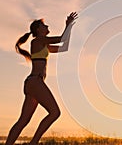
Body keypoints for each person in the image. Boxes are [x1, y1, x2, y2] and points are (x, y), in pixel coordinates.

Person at [5, 12, 78, 145]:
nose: (47, 26)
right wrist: (68, 25)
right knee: (55, 112)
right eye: (44, 25)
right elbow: (62, 38)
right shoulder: (38, 40)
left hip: (32, 83)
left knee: (23, 121)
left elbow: (65, 46)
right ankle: (34, 142)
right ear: (38, 30)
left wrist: (70, 27)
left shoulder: (44, 45)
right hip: (35, 82)